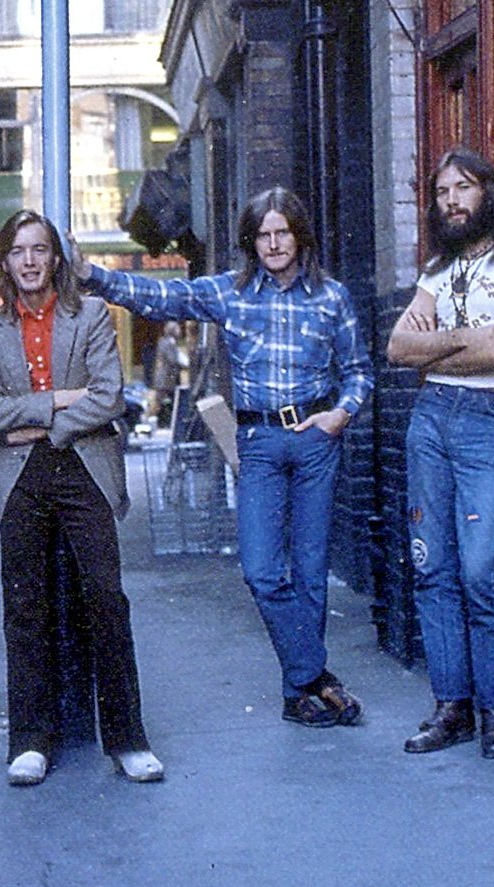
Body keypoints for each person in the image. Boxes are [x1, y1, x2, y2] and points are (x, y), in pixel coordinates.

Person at [70, 187, 372, 729]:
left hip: (315, 439)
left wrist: (340, 414)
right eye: (263, 235)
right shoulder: (231, 292)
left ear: (299, 236)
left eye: (282, 233)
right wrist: (92, 274)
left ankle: (297, 694)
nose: (273, 244)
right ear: (251, 243)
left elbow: (358, 372)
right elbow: (160, 297)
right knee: (261, 570)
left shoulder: (332, 298)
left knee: (309, 572)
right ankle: (318, 676)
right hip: (258, 442)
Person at [0, 209, 162, 786]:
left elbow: (108, 397)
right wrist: (60, 399)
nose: (29, 261)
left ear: (55, 258)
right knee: (24, 607)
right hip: (21, 477)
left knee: (105, 598)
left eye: (39, 249)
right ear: (5, 263)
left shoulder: (92, 315)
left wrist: (40, 425)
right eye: (18, 251)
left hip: (85, 468)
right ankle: (30, 741)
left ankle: (128, 740)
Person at [387, 147, 494, 760]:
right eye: (442, 191)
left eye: (464, 188)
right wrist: (465, 338)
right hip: (431, 418)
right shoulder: (437, 267)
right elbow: (398, 348)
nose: (451, 201)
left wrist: (439, 351)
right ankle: (451, 707)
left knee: (480, 570)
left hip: (489, 421)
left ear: (487, 192)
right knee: (432, 567)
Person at [152, 320, 184, 427]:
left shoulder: (171, 343)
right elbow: (172, 359)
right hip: (165, 379)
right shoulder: (166, 343)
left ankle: (166, 422)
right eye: (177, 329)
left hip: (170, 379)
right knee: (161, 401)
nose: (180, 331)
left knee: (169, 401)